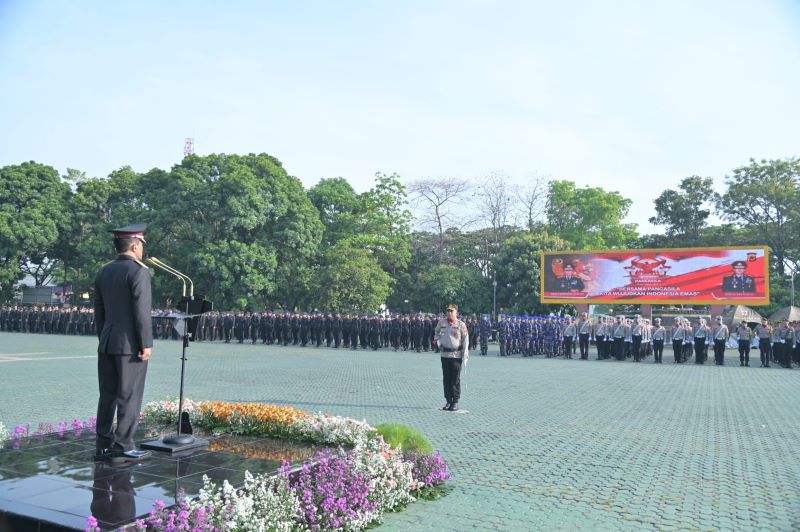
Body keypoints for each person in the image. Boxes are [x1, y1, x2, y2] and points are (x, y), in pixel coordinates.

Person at [94, 223, 153, 464]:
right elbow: (142, 312)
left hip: (107, 342)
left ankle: (103, 444)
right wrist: (145, 343)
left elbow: (99, 309)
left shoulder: (104, 271)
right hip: (130, 346)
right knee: (129, 395)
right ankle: (124, 445)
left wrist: (104, 337)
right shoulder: (139, 271)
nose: (142, 251)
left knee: (107, 394)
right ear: (134, 245)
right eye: (141, 246)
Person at [435, 303, 469, 412]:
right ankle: (448, 400)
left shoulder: (461, 324)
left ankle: (455, 401)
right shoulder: (441, 323)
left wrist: (465, 353)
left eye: (451, 311)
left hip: (456, 355)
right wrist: (437, 341)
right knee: (446, 379)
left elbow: (465, 340)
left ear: (456, 313)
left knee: (455, 379)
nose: (449, 313)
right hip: (445, 355)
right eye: (448, 311)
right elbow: (436, 332)